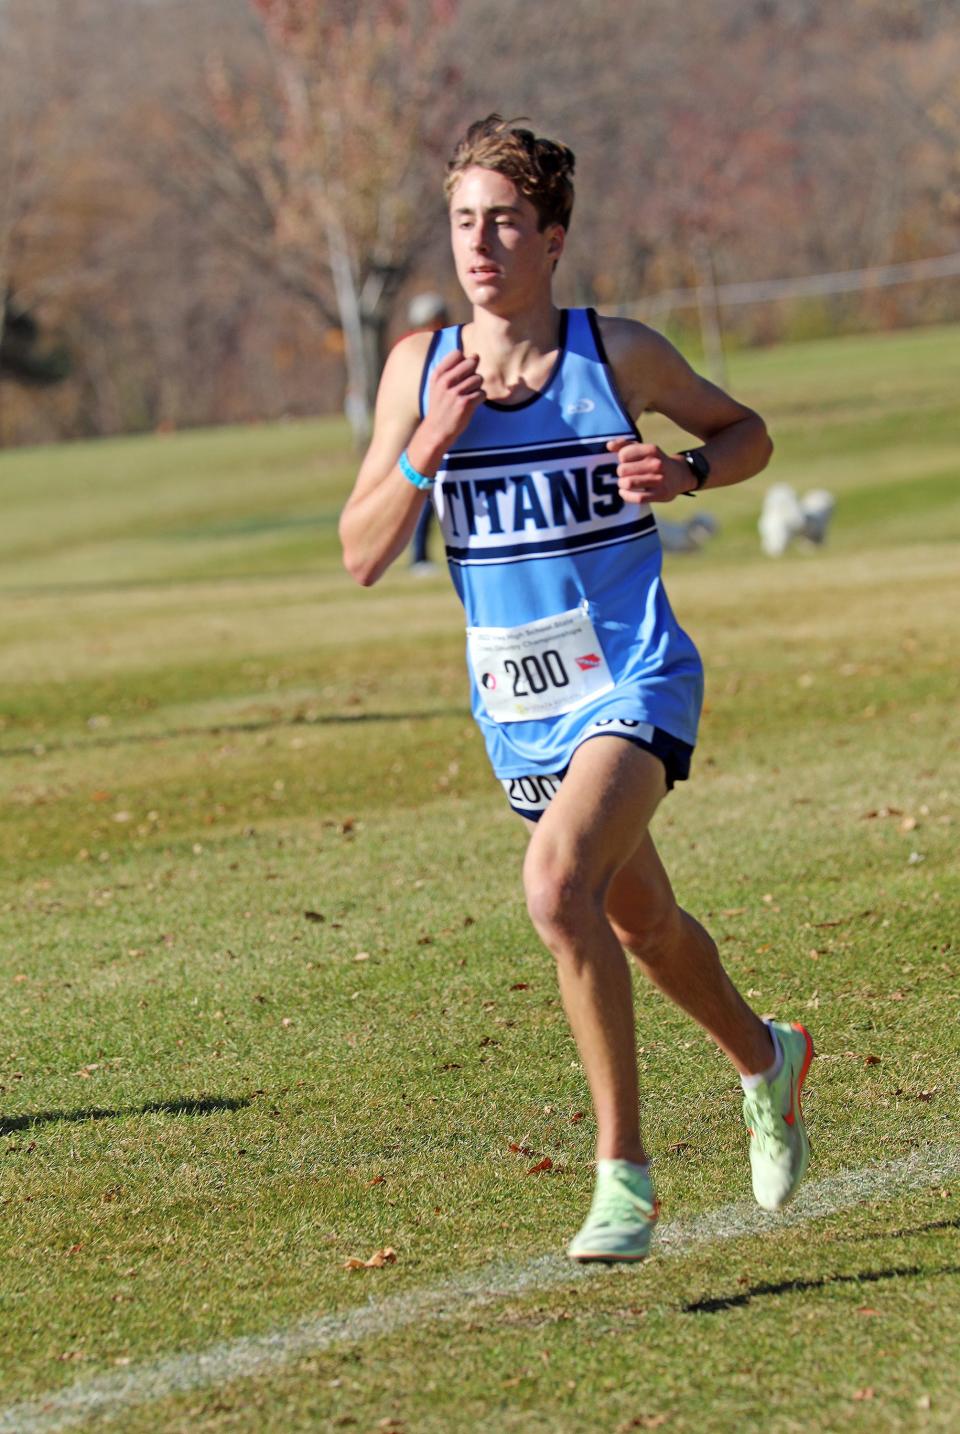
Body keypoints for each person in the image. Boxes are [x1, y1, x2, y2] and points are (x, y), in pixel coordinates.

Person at [339, 115, 813, 1263]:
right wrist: (427, 446)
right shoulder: (420, 372)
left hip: (635, 678)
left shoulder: (618, 356)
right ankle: (768, 1059)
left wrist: (689, 470)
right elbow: (360, 548)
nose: (480, 243)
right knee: (637, 922)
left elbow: (744, 433)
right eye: (463, 222)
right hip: (520, 712)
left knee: (556, 891)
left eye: (504, 220)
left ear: (552, 236)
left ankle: (625, 1178)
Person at [402, 293, 451, 572]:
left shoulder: (453, 345)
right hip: (419, 439)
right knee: (422, 499)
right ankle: (418, 556)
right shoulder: (409, 354)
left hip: (449, 439)